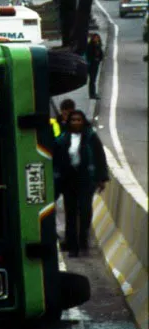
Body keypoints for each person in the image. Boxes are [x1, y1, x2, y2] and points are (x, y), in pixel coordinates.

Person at [53, 110, 109, 257]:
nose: (76, 123)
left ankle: (83, 242)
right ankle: (72, 246)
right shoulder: (63, 139)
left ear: (83, 121)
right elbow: (57, 159)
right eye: (73, 120)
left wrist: (101, 178)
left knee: (85, 211)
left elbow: (100, 157)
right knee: (70, 213)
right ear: (69, 122)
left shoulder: (91, 137)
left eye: (79, 120)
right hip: (68, 180)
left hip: (86, 180)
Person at [85, 33, 104, 99]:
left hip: (96, 64)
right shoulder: (90, 45)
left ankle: (93, 93)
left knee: (93, 80)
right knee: (92, 80)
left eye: (97, 38)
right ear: (93, 38)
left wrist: (99, 59)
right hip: (91, 65)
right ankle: (92, 94)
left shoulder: (98, 45)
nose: (96, 39)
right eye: (95, 38)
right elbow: (89, 55)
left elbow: (101, 54)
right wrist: (95, 59)